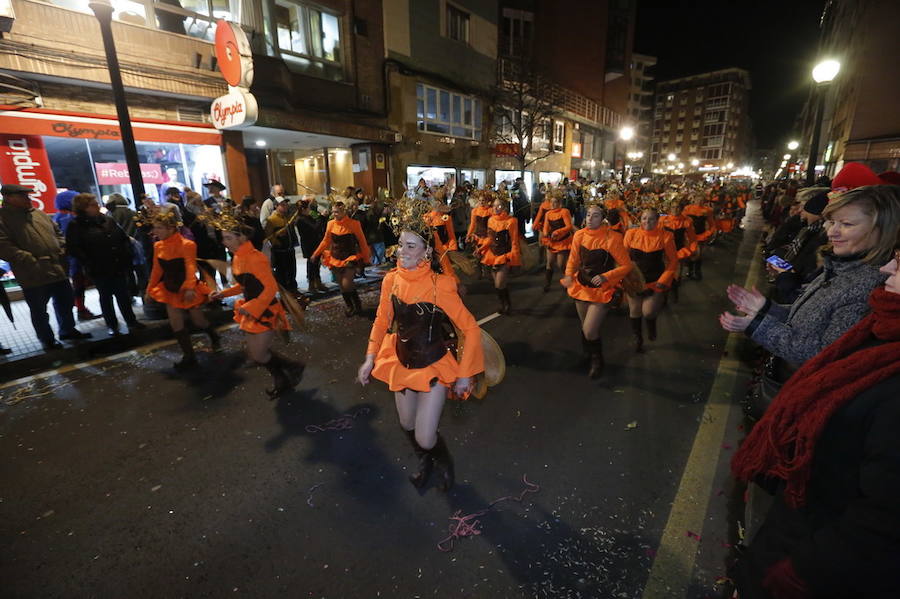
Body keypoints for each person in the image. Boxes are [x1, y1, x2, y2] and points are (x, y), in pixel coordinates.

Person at [728, 238, 900, 599]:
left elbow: (884, 515)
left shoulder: (869, 308)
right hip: (805, 508)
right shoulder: (878, 323)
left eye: (898, 262)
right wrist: (765, 310)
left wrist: (804, 571)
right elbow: (805, 326)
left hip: (817, 545)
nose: (886, 268)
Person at [356, 194, 484, 492]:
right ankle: (424, 461)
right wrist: (370, 357)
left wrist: (465, 373)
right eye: (400, 244)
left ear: (426, 252)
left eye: (410, 246)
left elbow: (471, 329)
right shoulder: (391, 280)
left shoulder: (442, 286)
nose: (401, 251)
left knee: (426, 436)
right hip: (400, 361)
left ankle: (442, 461)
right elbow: (381, 320)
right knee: (407, 424)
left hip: (434, 365)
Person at [721, 184, 900, 384]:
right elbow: (809, 320)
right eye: (831, 222)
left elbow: (823, 353)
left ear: (882, 230)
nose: (832, 232)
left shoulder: (869, 286)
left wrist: (757, 326)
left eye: (847, 224)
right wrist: (766, 308)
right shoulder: (841, 267)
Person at [208, 214, 303, 398]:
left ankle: (292, 369)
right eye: (223, 238)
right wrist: (223, 293)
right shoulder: (237, 257)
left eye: (228, 238)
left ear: (241, 238)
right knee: (257, 354)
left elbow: (270, 288)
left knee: (258, 355)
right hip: (251, 310)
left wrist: (252, 306)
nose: (224, 242)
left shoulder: (256, 258)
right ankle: (286, 375)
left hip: (265, 310)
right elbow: (244, 285)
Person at [0, 184, 92, 350]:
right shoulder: (3, 218)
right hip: (32, 272)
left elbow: (58, 233)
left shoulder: (39, 214)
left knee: (65, 301)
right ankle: (47, 339)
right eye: (22, 196)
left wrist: (61, 249)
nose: (28, 198)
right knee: (39, 309)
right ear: (8, 197)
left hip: (57, 267)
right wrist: (29, 259)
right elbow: (4, 246)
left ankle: (67, 330)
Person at [560, 203, 633, 378]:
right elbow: (573, 259)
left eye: (595, 216)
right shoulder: (579, 235)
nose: (590, 219)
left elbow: (626, 266)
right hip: (582, 287)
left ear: (603, 219)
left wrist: (607, 276)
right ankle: (587, 356)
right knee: (585, 328)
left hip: (602, 290)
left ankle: (597, 360)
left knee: (590, 330)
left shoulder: (613, 238)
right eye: (588, 215)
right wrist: (569, 275)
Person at [145, 209, 218, 370]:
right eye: (155, 228)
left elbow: (191, 267)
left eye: (159, 228)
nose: (155, 231)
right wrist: (149, 289)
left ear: (171, 228)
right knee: (176, 324)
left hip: (187, 287)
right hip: (170, 289)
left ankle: (214, 337)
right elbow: (157, 270)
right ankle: (189, 356)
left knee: (199, 321)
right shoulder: (158, 245)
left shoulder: (187, 244)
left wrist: (190, 287)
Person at [65, 193, 145, 336]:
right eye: (93, 204)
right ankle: (112, 325)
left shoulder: (107, 220)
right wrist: (89, 261)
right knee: (106, 296)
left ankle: (131, 321)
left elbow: (122, 237)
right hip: (98, 267)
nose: (97, 206)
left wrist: (125, 254)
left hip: (117, 263)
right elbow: (74, 248)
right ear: (84, 208)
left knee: (123, 294)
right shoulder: (76, 225)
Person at [623, 208, 678, 352]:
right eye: (644, 218)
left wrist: (664, 280)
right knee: (634, 311)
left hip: (655, 281)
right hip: (635, 281)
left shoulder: (666, 236)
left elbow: (673, 261)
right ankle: (638, 338)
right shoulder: (631, 234)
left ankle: (651, 323)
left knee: (648, 312)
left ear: (657, 220)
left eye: (651, 219)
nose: (647, 221)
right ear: (640, 220)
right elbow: (623, 257)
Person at [311, 198, 371, 316]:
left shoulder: (354, 224)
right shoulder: (330, 224)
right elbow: (325, 241)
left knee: (346, 283)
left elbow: (362, 241)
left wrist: (366, 258)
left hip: (350, 257)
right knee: (342, 286)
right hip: (335, 257)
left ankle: (357, 304)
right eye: (333, 212)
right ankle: (350, 306)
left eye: (337, 212)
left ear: (344, 212)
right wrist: (315, 254)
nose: (334, 214)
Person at [53, 189, 98, 321]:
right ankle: (81, 309)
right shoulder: (70, 219)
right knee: (79, 285)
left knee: (76, 285)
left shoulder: (57, 217)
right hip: (76, 260)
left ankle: (80, 309)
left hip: (67, 260)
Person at [476, 195, 520, 314]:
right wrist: (481, 249)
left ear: (505, 207)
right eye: (494, 205)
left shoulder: (511, 221)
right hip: (492, 255)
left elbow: (514, 241)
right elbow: (490, 239)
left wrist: (515, 259)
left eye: (499, 206)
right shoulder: (491, 220)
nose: (495, 208)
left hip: (505, 255)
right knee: (499, 285)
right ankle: (505, 304)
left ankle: (506, 305)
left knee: (499, 283)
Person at [659, 200, 698, 303]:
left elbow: (692, 237)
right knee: (665, 274)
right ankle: (664, 296)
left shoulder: (686, 221)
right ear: (670, 208)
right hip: (664, 251)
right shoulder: (663, 220)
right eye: (673, 207)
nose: (675, 209)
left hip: (679, 251)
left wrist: (693, 249)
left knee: (676, 275)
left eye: (677, 207)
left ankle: (674, 291)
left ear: (681, 209)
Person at [264, 198, 300, 295]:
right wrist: (278, 238)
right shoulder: (271, 220)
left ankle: (293, 290)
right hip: (280, 252)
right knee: (282, 274)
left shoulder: (286, 217)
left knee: (292, 272)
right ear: (276, 206)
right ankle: (285, 294)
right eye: (282, 205)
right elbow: (268, 237)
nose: (285, 206)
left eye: (286, 204)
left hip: (290, 249)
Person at [541, 190, 574, 292]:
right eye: (551, 202)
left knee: (561, 264)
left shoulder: (564, 212)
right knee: (549, 262)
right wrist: (545, 232)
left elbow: (569, 226)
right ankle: (547, 284)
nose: (553, 204)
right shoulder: (548, 213)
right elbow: (546, 226)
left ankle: (567, 282)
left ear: (559, 203)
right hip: (552, 240)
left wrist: (558, 231)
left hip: (563, 241)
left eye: (555, 202)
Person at [295, 196, 327, 293]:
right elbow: (315, 228)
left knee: (316, 263)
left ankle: (318, 282)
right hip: (308, 244)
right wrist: (321, 217)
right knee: (311, 264)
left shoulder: (307, 217)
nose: (309, 210)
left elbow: (318, 225)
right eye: (308, 208)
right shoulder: (301, 219)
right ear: (303, 209)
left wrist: (322, 217)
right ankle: (311, 284)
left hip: (314, 243)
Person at [682, 194, 716, 279]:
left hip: (701, 235)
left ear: (704, 201)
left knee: (698, 254)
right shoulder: (687, 208)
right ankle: (690, 271)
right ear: (694, 200)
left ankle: (697, 272)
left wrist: (709, 233)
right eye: (698, 199)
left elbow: (712, 223)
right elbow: (682, 220)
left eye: (701, 200)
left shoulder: (707, 210)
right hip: (689, 236)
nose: (699, 202)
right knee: (689, 253)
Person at [424, 196, 458, 280]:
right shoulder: (426, 217)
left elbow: (451, 233)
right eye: (435, 202)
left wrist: (452, 246)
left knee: (444, 269)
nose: (437, 204)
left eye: (439, 202)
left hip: (444, 247)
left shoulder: (445, 218)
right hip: (430, 250)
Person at [465, 190, 494, 278]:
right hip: (478, 236)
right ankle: (479, 273)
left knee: (487, 255)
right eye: (480, 200)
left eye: (483, 200)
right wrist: (468, 235)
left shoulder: (490, 211)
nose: (481, 202)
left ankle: (487, 273)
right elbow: (472, 224)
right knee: (478, 255)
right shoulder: (475, 211)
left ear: (487, 201)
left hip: (487, 236)